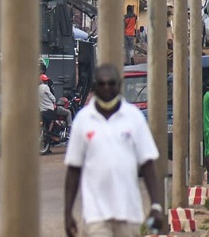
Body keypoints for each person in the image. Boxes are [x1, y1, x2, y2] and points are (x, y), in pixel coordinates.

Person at [64, 64, 163, 237]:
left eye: (111, 83)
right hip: (96, 216)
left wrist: (155, 205)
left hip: (130, 214)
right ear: (94, 86)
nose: (107, 87)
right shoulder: (83, 120)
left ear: (119, 85)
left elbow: (148, 164)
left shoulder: (134, 117)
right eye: (102, 84)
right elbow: (73, 169)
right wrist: (67, 213)